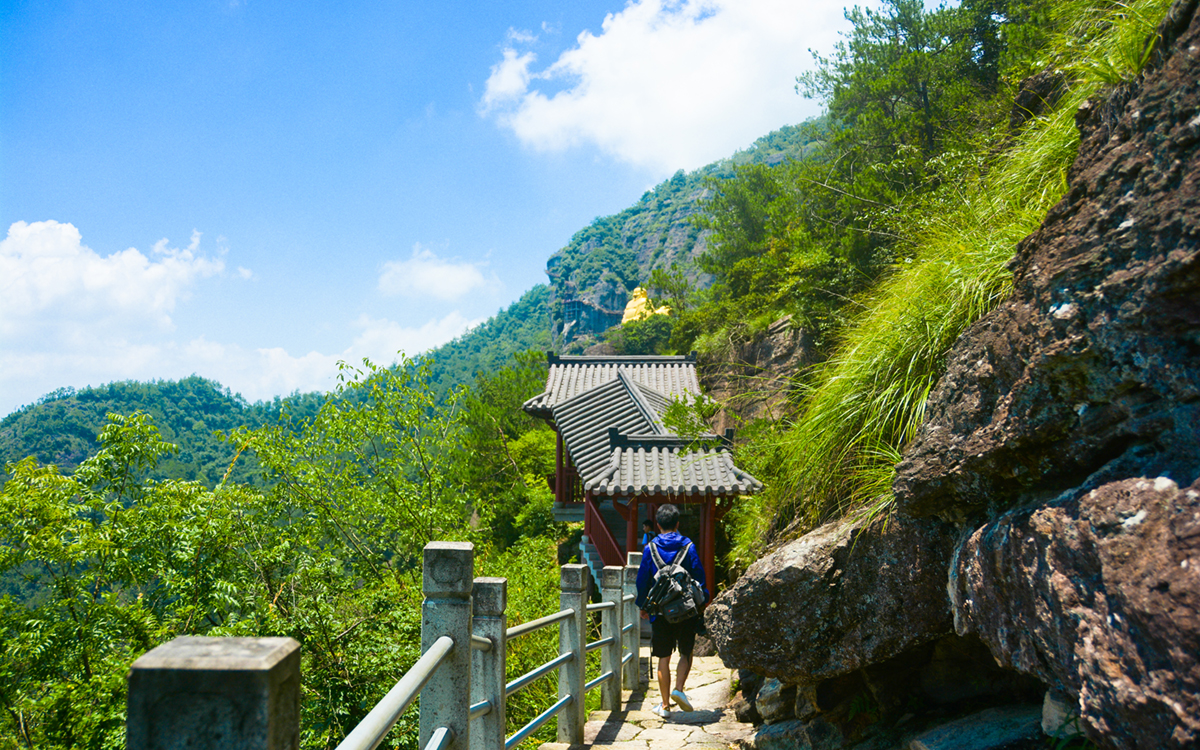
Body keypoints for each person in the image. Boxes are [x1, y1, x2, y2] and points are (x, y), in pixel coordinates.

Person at [635, 503, 707, 718]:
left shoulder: (650, 549)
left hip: (660, 611)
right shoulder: (689, 547)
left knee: (663, 657)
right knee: (686, 651)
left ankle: (665, 706)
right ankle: (679, 690)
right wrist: (704, 601)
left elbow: (642, 581)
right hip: (686, 609)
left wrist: (643, 606)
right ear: (677, 523)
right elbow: (700, 579)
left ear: (657, 524)